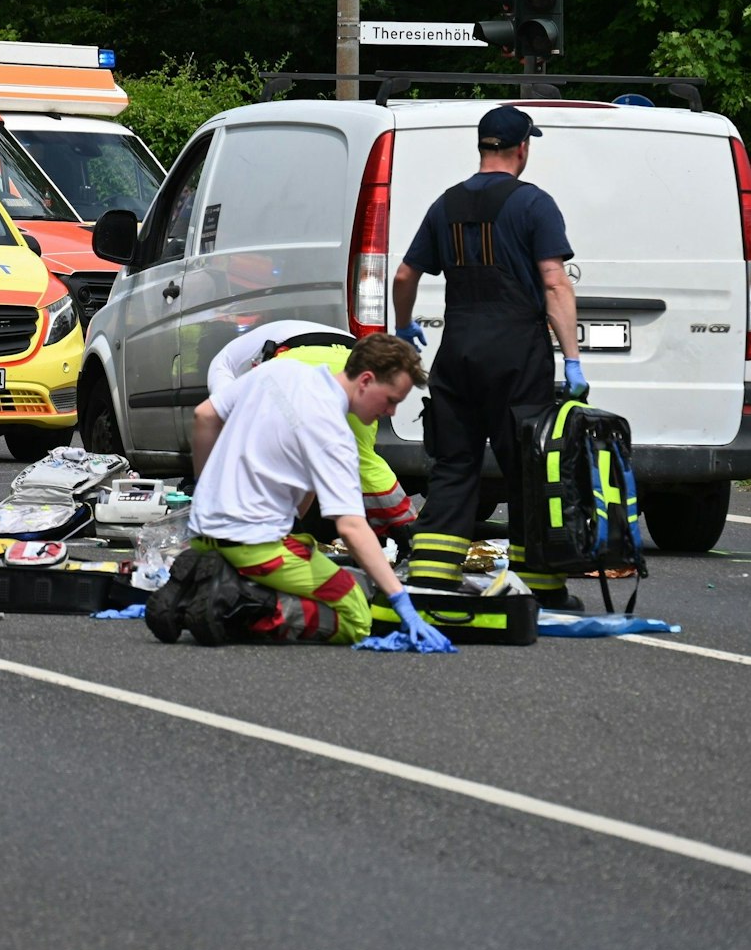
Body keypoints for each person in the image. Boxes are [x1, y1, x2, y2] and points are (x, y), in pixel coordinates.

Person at [390, 104, 582, 607]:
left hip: (458, 351)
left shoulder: (445, 205)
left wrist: (403, 326)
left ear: (482, 147)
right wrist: (573, 358)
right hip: (516, 353)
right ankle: (541, 585)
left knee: (454, 464)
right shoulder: (534, 205)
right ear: (523, 148)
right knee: (528, 467)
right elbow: (554, 282)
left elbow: (405, 276)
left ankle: (430, 574)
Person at [151, 333, 449, 649]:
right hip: (256, 547)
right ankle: (234, 603)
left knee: (313, 559)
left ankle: (205, 590)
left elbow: (205, 415)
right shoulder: (334, 434)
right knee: (357, 612)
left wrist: (207, 492)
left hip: (203, 534)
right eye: (391, 400)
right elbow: (351, 527)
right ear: (365, 380)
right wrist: (400, 600)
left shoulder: (280, 370)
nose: (390, 412)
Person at [207, 323, 418, 545]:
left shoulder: (222, 369)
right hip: (351, 359)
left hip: (298, 362)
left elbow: (222, 422)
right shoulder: (243, 351)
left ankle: (280, 530)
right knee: (362, 459)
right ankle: (408, 530)